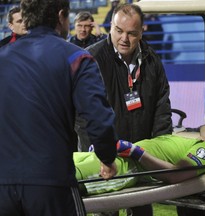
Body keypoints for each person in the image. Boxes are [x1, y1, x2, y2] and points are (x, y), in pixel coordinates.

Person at [0, 0, 119, 215]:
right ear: (62, 16)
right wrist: (108, 158)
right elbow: (98, 119)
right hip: (51, 182)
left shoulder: (3, 56)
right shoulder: (77, 57)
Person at [84, 3, 173, 215]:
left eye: (132, 33)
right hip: (104, 155)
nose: (124, 38)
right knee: (106, 210)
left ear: (142, 31)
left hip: (141, 154)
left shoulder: (152, 61)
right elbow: (82, 115)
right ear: (111, 27)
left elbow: (162, 108)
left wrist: (160, 150)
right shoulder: (92, 59)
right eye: (119, 30)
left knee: (143, 209)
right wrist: (97, 153)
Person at [75, 122, 205, 196]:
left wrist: (136, 152)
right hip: (113, 158)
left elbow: (175, 175)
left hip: (123, 168)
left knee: (60, 179)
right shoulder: (193, 141)